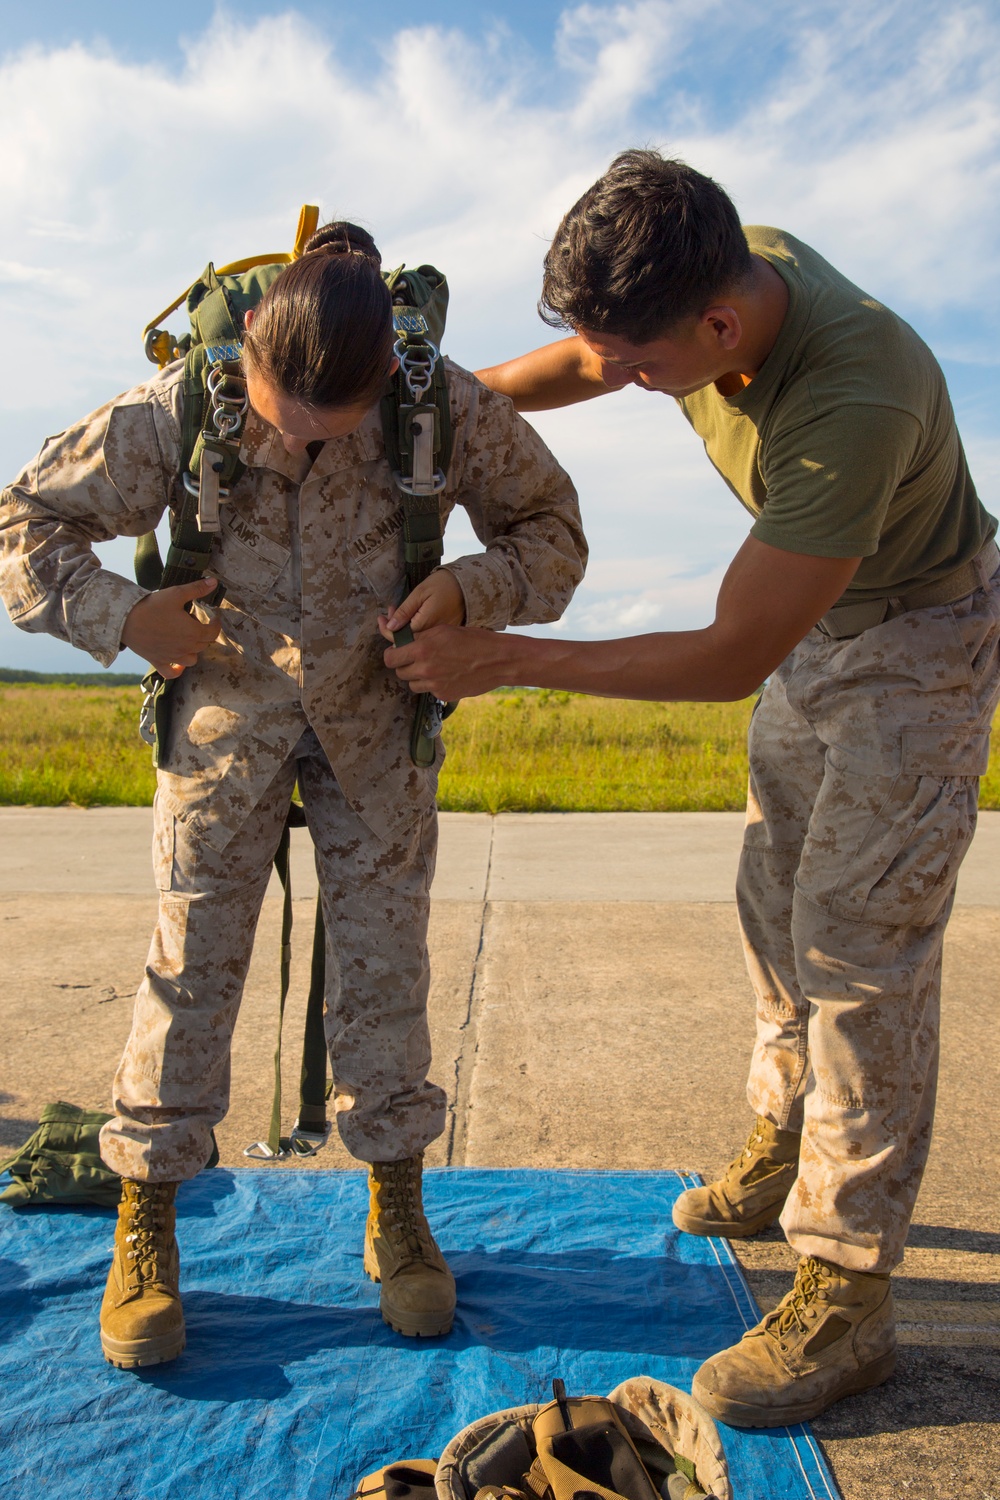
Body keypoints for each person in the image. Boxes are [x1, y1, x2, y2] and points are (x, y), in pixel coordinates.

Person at [381, 151, 1000, 1427]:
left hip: (920, 643)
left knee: (859, 949)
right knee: (771, 897)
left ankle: (846, 1288)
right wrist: (430, 429)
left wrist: (499, 656)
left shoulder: (853, 395)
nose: (621, 379)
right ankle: (786, 1143)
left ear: (718, 326)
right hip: (823, 626)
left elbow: (727, 657)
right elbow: (567, 366)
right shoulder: (715, 261)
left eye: (641, 362)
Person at [0, 220, 587, 1367]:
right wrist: (122, 616)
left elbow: (552, 532)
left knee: (386, 962)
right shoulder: (184, 402)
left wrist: (472, 589)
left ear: (382, 383)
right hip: (223, 719)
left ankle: (397, 1207)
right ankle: (148, 1219)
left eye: (330, 426)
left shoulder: (441, 403)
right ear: (251, 359)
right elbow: (22, 519)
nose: (296, 439)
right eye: (277, 418)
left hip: (377, 719)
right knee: (187, 964)